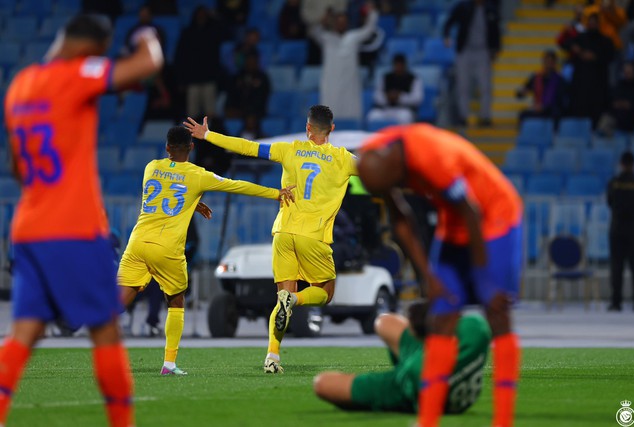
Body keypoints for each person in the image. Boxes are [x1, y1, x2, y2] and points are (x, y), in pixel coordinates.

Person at [1, 14, 164, 427]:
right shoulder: (75, 74)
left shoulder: (20, 85)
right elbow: (147, 63)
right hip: (71, 227)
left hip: (27, 229)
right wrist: (145, 33)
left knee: (24, 334)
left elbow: (18, 168)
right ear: (91, 50)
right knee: (105, 331)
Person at [357, 124, 522, 427]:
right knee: (442, 317)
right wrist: (427, 277)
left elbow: (471, 212)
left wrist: (485, 281)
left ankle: (503, 421)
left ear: (398, 167)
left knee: (497, 312)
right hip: (454, 221)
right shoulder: (375, 158)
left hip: (495, 217)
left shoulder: (433, 157)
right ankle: (428, 421)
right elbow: (400, 219)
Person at [184, 105, 359, 374]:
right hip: (313, 237)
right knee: (325, 292)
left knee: (281, 299)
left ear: (308, 127)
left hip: (283, 233)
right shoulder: (344, 159)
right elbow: (381, 169)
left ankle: (272, 357)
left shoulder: (288, 149)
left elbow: (248, 147)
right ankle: (296, 300)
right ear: (332, 129)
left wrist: (208, 135)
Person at [118, 126, 295, 375]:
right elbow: (237, 185)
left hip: (137, 242)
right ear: (192, 147)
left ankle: (96, 333)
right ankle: (169, 364)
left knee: (120, 300)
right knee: (176, 301)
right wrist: (276, 193)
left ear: (167, 147)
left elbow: (167, 191)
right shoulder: (198, 175)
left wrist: (192, 202)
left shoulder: (151, 167)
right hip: (167, 247)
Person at [314, 302, 490, 414]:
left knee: (322, 384)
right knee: (383, 321)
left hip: (404, 389)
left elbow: (414, 371)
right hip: (431, 362)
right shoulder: (475, 329)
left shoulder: (413, 369)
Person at [309, 2, 379, 120]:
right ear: (335, 24)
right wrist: (324, 19)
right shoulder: (326, 38)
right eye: (339, 22)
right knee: (329, 113)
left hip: (349, 83)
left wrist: (372, 13)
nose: (341, 24)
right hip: (331, 82)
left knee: (351, 111)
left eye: (343, 22)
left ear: (347, 23)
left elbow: (369, 29)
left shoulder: (353, 37)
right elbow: (313, 31)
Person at [443, 0, 501, 128]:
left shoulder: (490, 9)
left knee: (485, 85)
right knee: (463, 85)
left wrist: (495, 49)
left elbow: (496, 30)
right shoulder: (463, 7)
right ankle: (463, 116)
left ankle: (485, 116)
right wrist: (446, 36)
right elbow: (449, 21)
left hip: (483, 50)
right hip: (465, 50)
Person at [174, 5, 225, 120]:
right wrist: (181, 79)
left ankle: (209, 137)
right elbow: (181, 57)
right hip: (192, 79)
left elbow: (226, 33)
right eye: (199, 14)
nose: (201, 17)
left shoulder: (213, 31)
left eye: (204, 14)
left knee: (210, 114)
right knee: (192, 115)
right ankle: (192, 138)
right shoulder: (187, 33)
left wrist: (215, 18)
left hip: (209, 78)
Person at [568, 11, 615, 128]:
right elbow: (564, 42)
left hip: (598, 86)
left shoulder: (606, 41)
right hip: (580, 85)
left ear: (599, 24)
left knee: (596, 116)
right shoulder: (580, 38)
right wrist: (576, 49)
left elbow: (611, 56)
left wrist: (595, 57)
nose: (592, 25)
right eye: (590, 23)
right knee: (579, 116)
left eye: (595, 23)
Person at [607, 151, 634, 312]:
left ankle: (616, 302)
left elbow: (610, 202)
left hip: (617, 230)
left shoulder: (614, 183)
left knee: (617, 267)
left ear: (621, 164)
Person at [367, 53, 424, 125]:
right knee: (372, 116)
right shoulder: (385, 78)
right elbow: (376, 96)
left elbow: (417, 99)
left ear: (405, 65)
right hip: (386, 108)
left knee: (405, 117)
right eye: (396, 65)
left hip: (403, 109)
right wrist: (387, 97)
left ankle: (402, 136)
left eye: (400, 65)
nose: (398, 68)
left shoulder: (414, 79)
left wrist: (400, 96)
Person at [515, 50, 566, 127]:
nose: (548, 64)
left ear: (554, 63)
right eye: (546, 61)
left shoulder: (559, 79)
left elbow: (560, 99)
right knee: (523, 115)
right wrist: (521, 92)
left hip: (552, 110)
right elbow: (522, 91)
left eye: (550, 61)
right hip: (538, 108)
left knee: (557, 115)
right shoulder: (536, 77)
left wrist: (545, 107)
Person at [224, 51, 271, 120]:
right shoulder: (237, 77)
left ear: (257, 62)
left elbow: (262, 98)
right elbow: (231, 95)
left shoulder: (262, 78)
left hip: (255, 111)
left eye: (253, 61)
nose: (251, 64)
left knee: (251, 116)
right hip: (238, 109)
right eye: (249, 61)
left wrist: (247, 110)